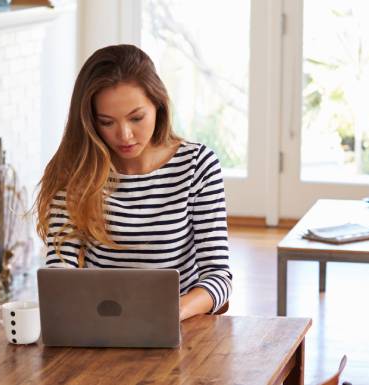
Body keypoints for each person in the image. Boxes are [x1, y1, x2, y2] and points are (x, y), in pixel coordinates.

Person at [35, 44, 232, 321]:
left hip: (178, 329)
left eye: (136, 118)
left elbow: (219, 277)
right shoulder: (76, 173)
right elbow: (60, 272)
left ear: (158, 105)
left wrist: (173, 311)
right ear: (90, 121)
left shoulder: (197, 165)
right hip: (99, 327)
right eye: (106, 122)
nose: (124, 135)